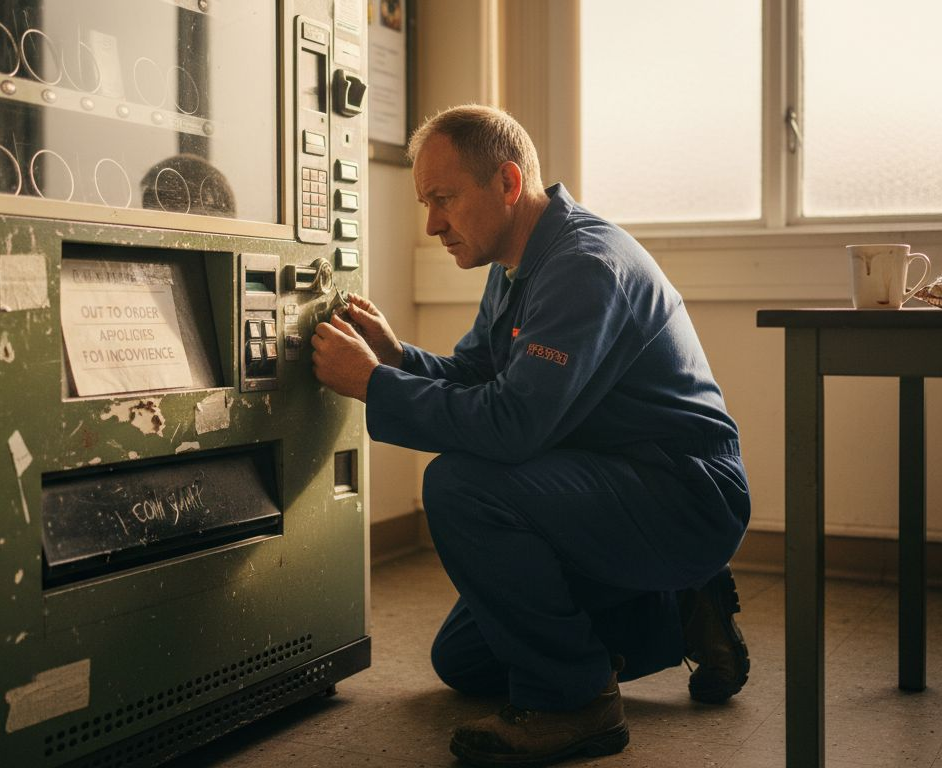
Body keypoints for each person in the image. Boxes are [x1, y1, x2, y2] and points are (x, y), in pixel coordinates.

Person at [310, 104, 750, 767]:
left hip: (683, 494)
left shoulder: (584, 266)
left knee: (459, 485)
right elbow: (478, 374)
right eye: (426, 202)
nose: (431, 224)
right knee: (463, 660)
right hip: (614, 480)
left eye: (443, 199)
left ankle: (575, 703)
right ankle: (679, 609)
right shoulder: (518, 262)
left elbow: (512, 425)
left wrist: (373, 386)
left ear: (508, 183)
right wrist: (397, 359)